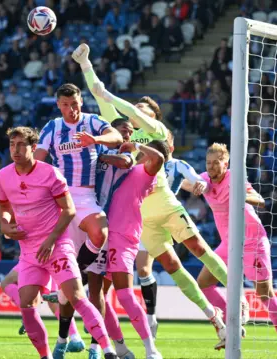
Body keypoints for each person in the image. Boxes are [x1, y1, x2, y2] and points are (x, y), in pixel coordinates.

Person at [73, 43, 228, 349]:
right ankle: (216, 319)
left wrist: (110, 97)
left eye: (144, 111)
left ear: (153, 116)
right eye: (137, 111)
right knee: (173, 267)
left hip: (164, 203)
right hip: (140, 217)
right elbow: (97, 92)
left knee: (198, 248)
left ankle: (237, 298)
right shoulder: (124, 132)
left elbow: (121, 105)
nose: (137, 113)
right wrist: (85, 64)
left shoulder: (155, 131)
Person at [0, 126, 117, 359]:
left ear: (34, 148)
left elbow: (69, 210)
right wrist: (4, 224)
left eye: (21, 145)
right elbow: (3, 206)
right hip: (29, 252)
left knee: (77, 297)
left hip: (57, 247)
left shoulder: (50, 173)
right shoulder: (3, 175)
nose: (16, 149)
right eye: (12, 145)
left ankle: (107, 350)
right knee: (27, 305)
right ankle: (45, 356)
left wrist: (51, 241)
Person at [34, 82, 123, 356]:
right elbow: (38, 160)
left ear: (81, 102)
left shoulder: (93, 122)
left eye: (74, 104)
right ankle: (62, 340)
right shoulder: (52, 128)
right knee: (70, 284)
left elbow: (117, 137)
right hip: (61, 199)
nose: (71, 110)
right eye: (65, 105)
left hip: (85, 197)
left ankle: (96, 345)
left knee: (100, 236)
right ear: (58, 105)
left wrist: (95, 140)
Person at [194, 143, 277, 359]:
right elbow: (186, 180)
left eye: (216, 163)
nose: (211, 168)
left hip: (252, 241)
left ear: (226, 163)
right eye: (208, 163)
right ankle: (237, 312)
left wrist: (241, 197)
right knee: (203, 282)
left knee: (265, 294)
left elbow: (261, 201)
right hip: (228, 243)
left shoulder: (235, 179)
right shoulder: (204, 178)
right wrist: (195, 184)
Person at [99, 138, 167, 359]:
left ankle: (151, 349)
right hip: (104, 235)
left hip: (123, 236)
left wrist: (137, 145)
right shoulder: (127, 169)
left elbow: (158, 157)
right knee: (98, 295)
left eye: (148, 151)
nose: (143, 154)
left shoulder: (147, 173)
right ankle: (120, 347)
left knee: (125, 293)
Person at [135, 131, 207, 331]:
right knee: (142, 269)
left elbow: (191, 180)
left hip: (167, 215)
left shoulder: (175, 164)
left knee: (190, 255)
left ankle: (219, 309)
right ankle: (151, 318)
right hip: (144, 219)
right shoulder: (141, 161)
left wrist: (200, 183)